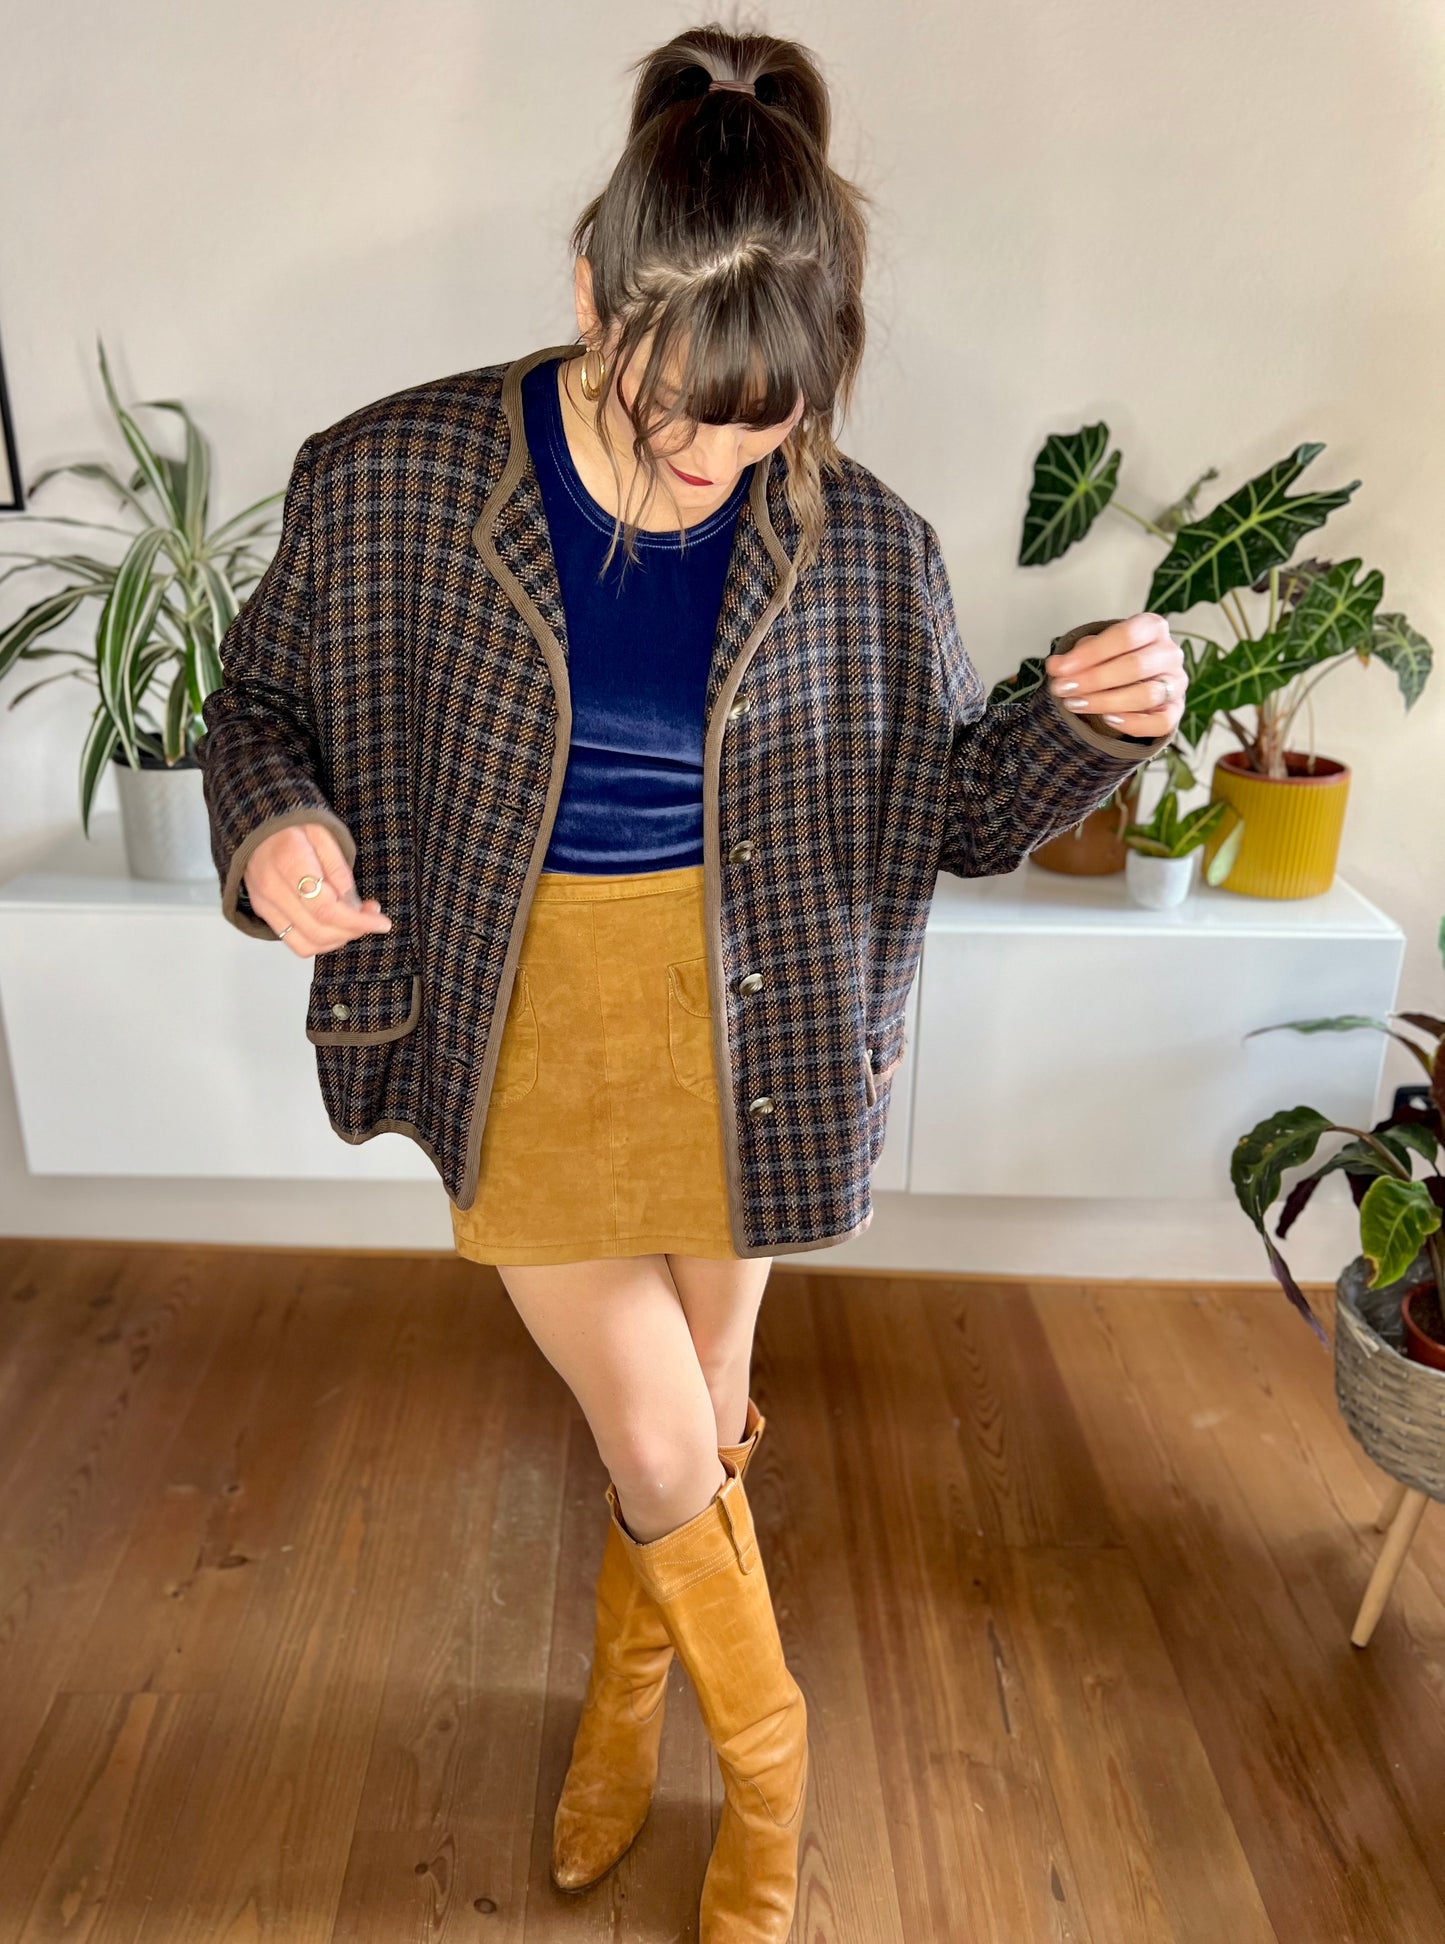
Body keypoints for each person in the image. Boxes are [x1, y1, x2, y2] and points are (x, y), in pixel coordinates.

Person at [198, 21, 1186, 1939]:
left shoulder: (859, 538)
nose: (709, 460)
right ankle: (770, 1773)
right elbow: (258, 709)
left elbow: (956, 809)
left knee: (699, 1424)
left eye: (757, 425)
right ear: (589, 289)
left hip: (752, 1022)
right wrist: (273, 834)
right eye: (670, 414)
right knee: (658, 1432)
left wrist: (1084, 721)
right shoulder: (389, 474)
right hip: (513, 1007)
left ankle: (620, 1711)